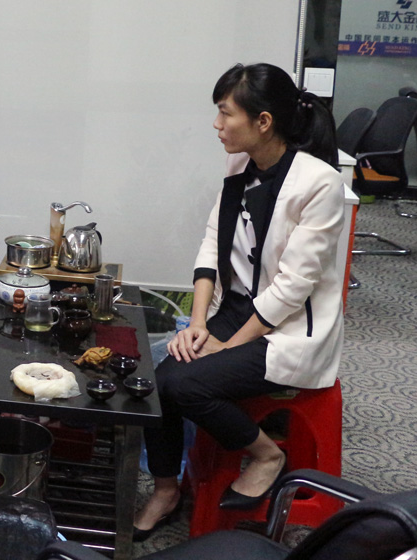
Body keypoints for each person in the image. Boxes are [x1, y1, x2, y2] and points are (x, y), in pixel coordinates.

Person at [132, 63, 346, 541]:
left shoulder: (320, 184)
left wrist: (227, 348)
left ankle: (267, 455)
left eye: (226, 113)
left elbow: (292, 287)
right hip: (239, 310)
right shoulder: (239, 166)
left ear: (263, 121)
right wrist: (198, 323)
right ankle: (166, 489)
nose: (217, 124)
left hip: (291, 329)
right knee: (158, 380)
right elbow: (213, 245)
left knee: (186, 385)